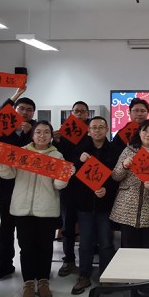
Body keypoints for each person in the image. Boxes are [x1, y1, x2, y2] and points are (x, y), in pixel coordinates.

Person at [0, 121, 72, 297]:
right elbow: (8, 175)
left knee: (46, 247)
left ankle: (43, 281)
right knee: (26, 247)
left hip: (46, 208)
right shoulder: (21, 153)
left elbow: (58, 185)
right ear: (32, 135)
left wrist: (65, 175)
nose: (42, 135)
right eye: (38, 132)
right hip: (22, 208)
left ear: (51, 136)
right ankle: (28, 282)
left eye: (46, 132)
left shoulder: (57, 155)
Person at [68, 116, 120, 295]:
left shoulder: (114, 150)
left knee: (106, 242)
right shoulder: (80, 149)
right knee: (85, 242)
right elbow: (70, 174)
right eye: (94, 128)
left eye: (101, 127)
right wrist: (78, 161)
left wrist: (106, 189)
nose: (97, 130)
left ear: (107, 130)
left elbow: (117, 177)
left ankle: (107, 275)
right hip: (84, 204)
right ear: (89, 131)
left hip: (105, 205)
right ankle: (84, 275)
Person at [0, 90, 35, 281]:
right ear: (14, 110)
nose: (25, 112)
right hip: (6, 187)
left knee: (28, 231)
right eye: (21, 108)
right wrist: (16, 94)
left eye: (29, 110)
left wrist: (30, 133)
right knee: (5, 230)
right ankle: (5, 265)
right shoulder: (1, 129)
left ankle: (31, 269)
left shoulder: (38, 130)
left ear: (33, 113)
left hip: (29, 187)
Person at [110, 119, 149, 248]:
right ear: (139, 132)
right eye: (145, 130)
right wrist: (124, 166)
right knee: (129, 249)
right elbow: (115, 176)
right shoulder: (128, 150)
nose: (148, 134)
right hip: (126, 208)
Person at [55, 101, 91, 278]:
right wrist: (56, 140)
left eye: (82, 111)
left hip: (87, 185)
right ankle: (68, 259)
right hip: (68, 185)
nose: (79, 114)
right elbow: (58, 157)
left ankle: (87, 262)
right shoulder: (63, 134)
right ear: (71, 113)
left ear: (87, 114)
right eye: (76, 111)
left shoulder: (92, 132)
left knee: (87, 226)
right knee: (67, 225)